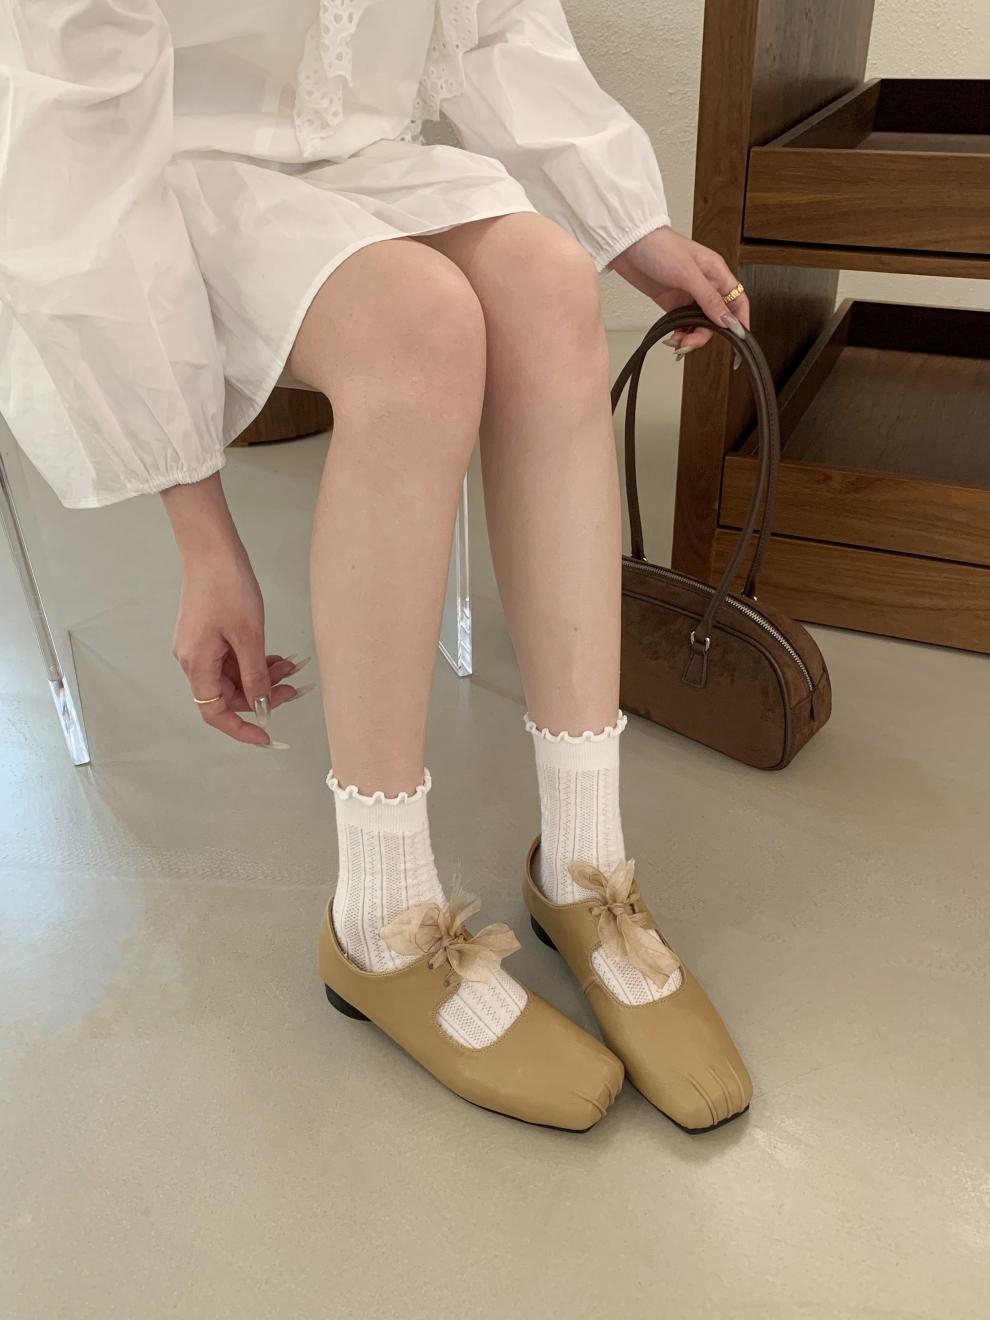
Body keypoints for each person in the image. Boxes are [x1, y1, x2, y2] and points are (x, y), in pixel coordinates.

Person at [1, 0, 752, 1132]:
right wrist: (201, 531)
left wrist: (628, 227)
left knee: (551, 282)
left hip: (357, 157)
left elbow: (495, 25)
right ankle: (381, 918)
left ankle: (586, 865)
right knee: (419, 325)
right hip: (160, 171)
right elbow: (80, 158)